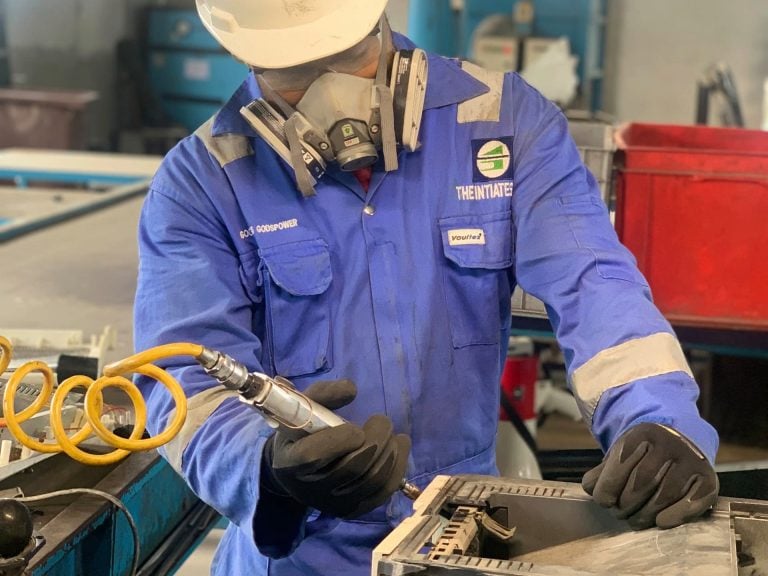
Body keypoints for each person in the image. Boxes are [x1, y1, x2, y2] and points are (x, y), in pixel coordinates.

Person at [133, 1, 720, 574]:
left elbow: (593, 283)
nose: (332, 92)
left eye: (348, 53)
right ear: (248, 58)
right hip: (297, 554)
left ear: (380, 21)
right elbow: (179, 382)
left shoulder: (503, 121)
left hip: (466, 533)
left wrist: (659, 422)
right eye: (294, 72)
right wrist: (267, 469)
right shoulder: (201, 182)